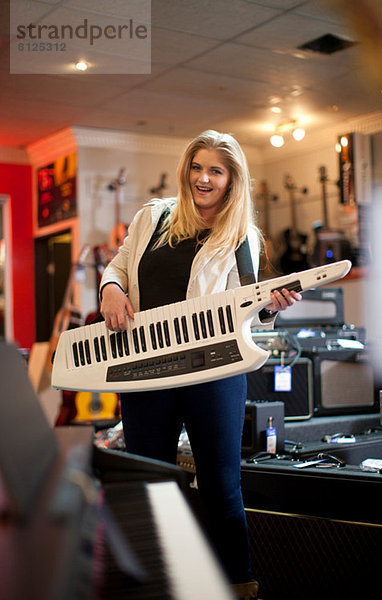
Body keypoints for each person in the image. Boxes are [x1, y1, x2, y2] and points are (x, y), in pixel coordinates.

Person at [99, 130, 302, 600]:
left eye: (216, 170)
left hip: (214, 371)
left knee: (220, 486)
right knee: (147, 481)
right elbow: (120, 266)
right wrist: (111, 288)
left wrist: (271, 303)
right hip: (146, 369)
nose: (203, 178)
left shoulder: (243, 237)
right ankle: (153, 582)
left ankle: (238, 584)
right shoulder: (153, 216)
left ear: (232, 180)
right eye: (197, 167)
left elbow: (247, 303)